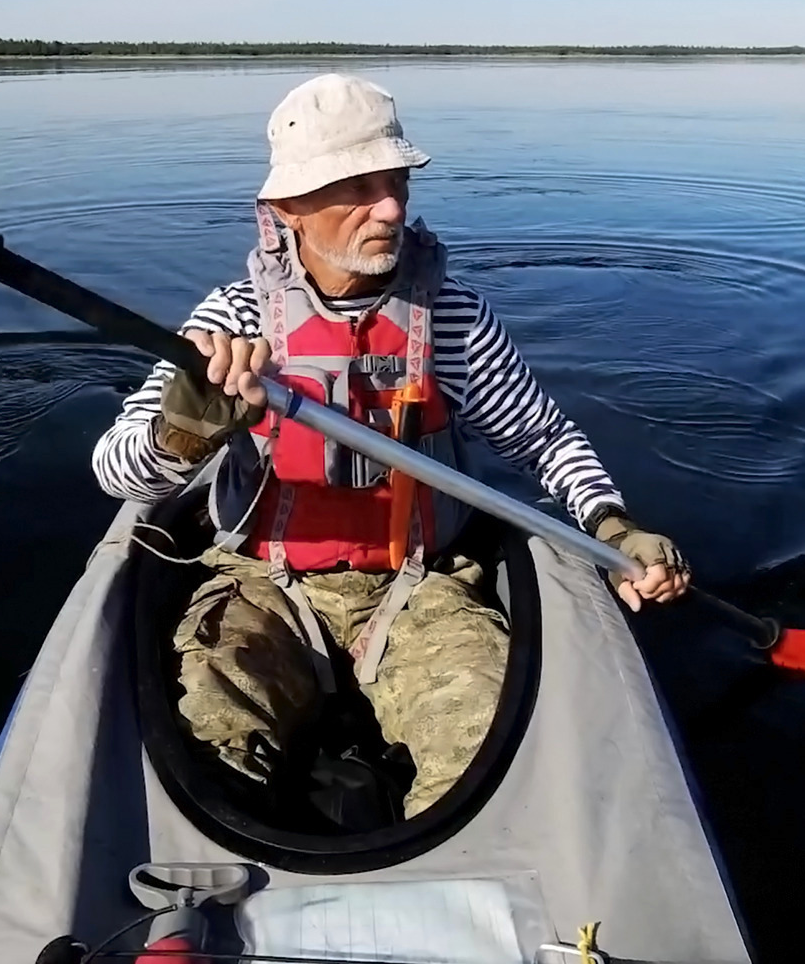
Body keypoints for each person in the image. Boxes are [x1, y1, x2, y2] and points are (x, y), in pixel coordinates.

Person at [92, 73, 689, 818]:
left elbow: (544, 440)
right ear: (287, 209)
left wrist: (613, 525)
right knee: (211, 752)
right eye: (357, 187)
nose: (392, 209)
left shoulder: (454, 320)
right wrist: (179, 434)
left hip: (421, 586)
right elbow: (117, 472)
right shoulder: (231, 323)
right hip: (265, 586)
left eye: (397, 182)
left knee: (485, 766)